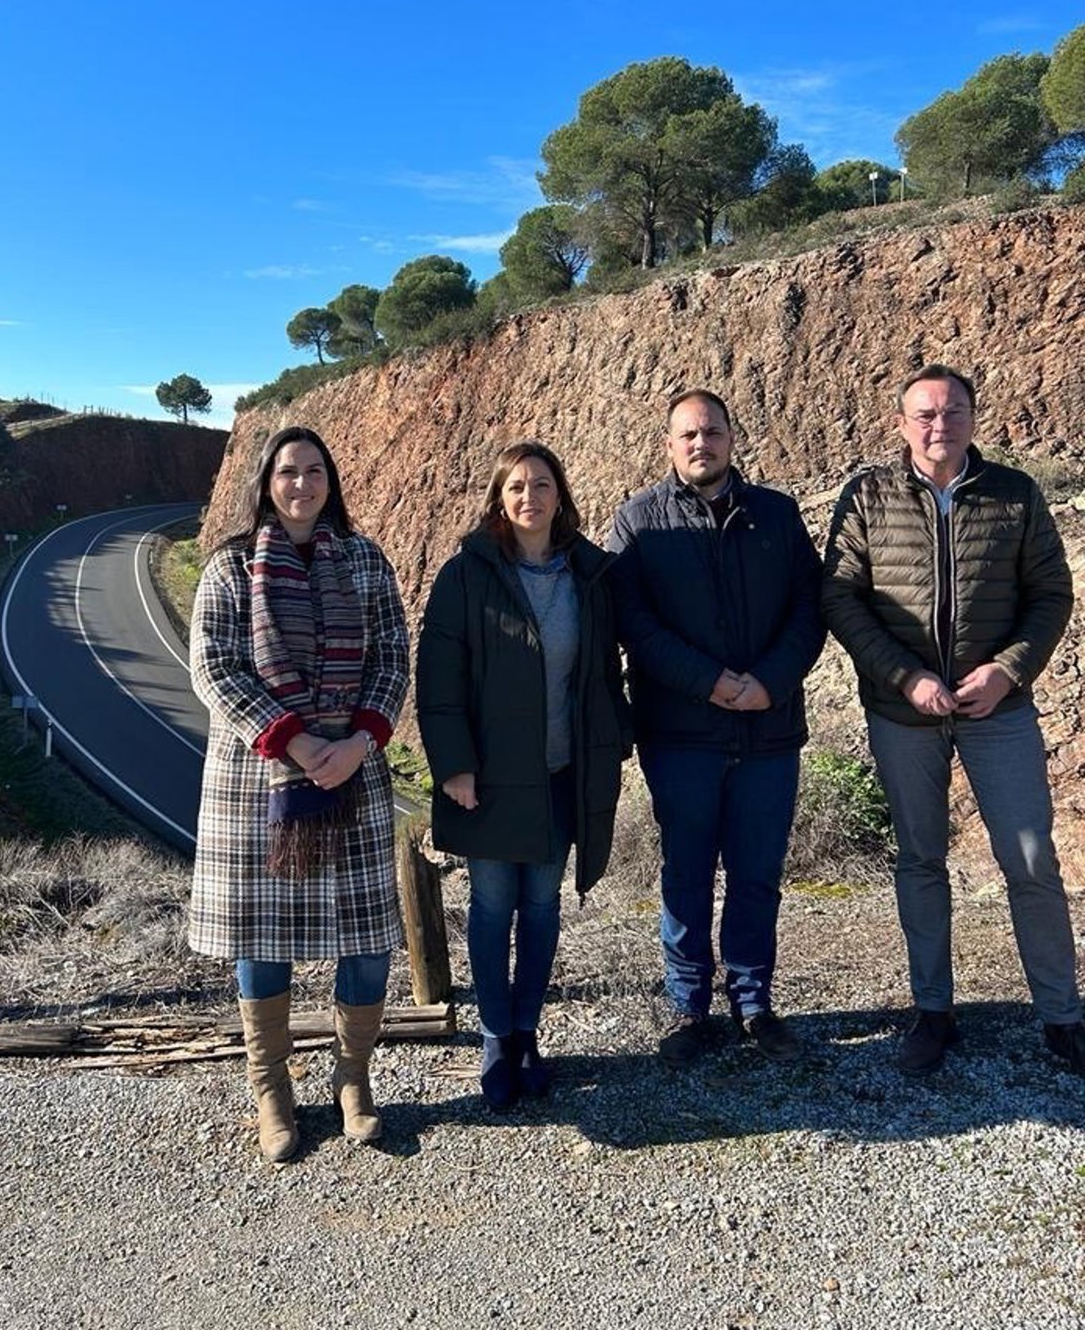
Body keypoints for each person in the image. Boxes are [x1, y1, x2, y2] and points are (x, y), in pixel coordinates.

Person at [822, 364, 1084, 1077]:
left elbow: (1051, 594)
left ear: (973, 416)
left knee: (1031, 858)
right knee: (920, 859)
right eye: (926, 414)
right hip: (902, 714)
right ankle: (932, 1012)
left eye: (954, 411)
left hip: (998, 710)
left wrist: (1008, 671)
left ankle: (1062, 1018)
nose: (940, 425)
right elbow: (841, 597)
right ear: (902, 423)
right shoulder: (867, 496)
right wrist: (905, 677)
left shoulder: (1015, 494)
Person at [189, 425, 410, 1160]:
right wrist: (296, 740)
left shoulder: (365, 560)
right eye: (288, 472)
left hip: (353, 773)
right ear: (266, 481)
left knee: (368, 942)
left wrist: (359, 741)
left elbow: (392, 657)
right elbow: (214, 666)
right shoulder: (229, 566)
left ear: (330, 481)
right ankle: (271, 1090)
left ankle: (353, 1079)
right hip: (259, 780)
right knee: (262, 940)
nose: (302, 484)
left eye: (315, 471)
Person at [607, 389, 824, 1066]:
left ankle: (754, 1004)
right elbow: (632, 622)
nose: (701, 443)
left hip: (769, 730)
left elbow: (810, 608)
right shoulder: (637, 522)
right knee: (687, 874)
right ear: (669, 445)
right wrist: (708, 681)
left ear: (731, 438)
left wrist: (770, 681)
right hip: (680, 735)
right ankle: (689, 1008)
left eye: (712, 432)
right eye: (688, 435)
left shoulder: (777, 515)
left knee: (758, 874)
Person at [416, 440, 629, 1109]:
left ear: (560, 495)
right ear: (499, 500)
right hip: (488, 780)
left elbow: (605, 674)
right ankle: (494, 1036)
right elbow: (438, 679)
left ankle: (528, 1032)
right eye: (516, 486)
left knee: (541, 907)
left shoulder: (589, 575)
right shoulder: (466, 575)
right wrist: (454, 765)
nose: (529, 497)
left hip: (562, 775)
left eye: (541, 484)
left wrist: (614, 743)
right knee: (490, 907)